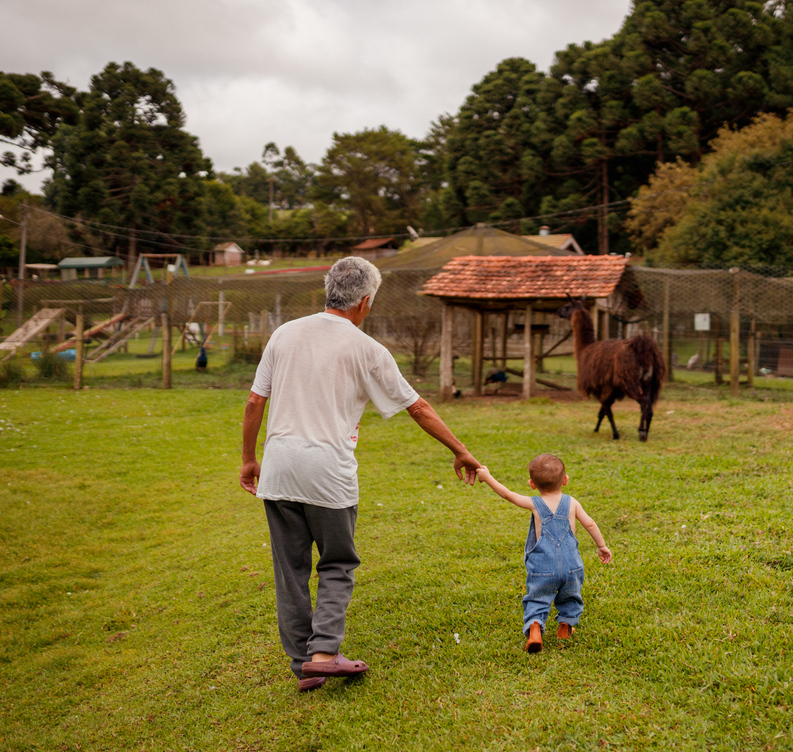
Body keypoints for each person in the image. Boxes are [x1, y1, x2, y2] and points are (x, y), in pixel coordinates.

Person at [240, 256, 480, 691]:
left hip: (278, 470)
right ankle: (324, 653)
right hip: (327, 473)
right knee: (337, 562)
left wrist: (248, 459)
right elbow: (418, 408)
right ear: (365, 300)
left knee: (289, 570)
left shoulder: (284, 333)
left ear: (328, 289)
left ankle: (303, 668)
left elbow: (255, 402)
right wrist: (461, 451)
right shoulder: (367, 349)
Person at [475, 454, 611, 653]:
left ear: (532, 484)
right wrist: (601, 546)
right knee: (571, 596)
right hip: (572, 566)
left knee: (538, 598)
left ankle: (535, 628)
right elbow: (590, 523)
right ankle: (565, 626)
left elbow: (507, 494)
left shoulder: (534, 504)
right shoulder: (572, 502)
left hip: (543, 568)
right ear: (565, 480)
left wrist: (487, 477)